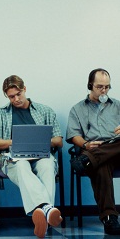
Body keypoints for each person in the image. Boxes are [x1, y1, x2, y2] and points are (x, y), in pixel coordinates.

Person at [0, 75, 63, 238]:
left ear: (24, 89)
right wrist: (14, 142)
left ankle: (42, 213)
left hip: (41, 155)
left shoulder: (45, 110)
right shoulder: (1, 113)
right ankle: (47, 210)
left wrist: (40, 141)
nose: (15, 99)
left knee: (48, 165)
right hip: (14, 159)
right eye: (11, 97)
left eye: (18, 94)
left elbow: (58, 140)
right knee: (21, 166)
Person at [67, 68, 120, 235]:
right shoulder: (78, 109)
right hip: (93, 148)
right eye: (100, 87)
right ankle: (109, 218)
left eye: (107, 87)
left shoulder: (118, 106)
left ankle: (87, 159)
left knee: (108, 151)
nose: (104, 91)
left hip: (117, 149)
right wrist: (85, 146)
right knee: (101, 165)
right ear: (90, 85)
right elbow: (74, 135)